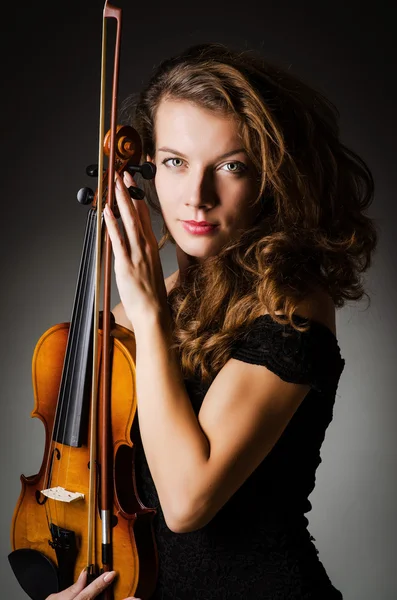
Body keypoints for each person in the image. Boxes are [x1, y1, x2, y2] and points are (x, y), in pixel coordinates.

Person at [46, 42, 378, 599]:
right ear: (148, 167)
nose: (195, 198)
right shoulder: (133, 317)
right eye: (175, 162)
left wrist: (150, 316)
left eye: (231, 166)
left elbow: (185, 503)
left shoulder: (292, 307)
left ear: (272, 178)